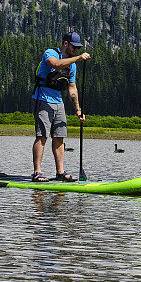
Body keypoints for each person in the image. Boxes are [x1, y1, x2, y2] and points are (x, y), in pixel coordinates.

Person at [31, 31, 90, 182]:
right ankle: (37, 172)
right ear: (65, 44)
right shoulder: (50, 53)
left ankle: (60, 172)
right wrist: (77, 58)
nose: (76, 50)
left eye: (78, 49)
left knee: (59, 137)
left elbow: (72, 88)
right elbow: (55, 65)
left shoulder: (72, 66)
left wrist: (78, 109)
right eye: (74, 47)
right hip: (42, 99)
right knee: (42, 135)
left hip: (58, 102)